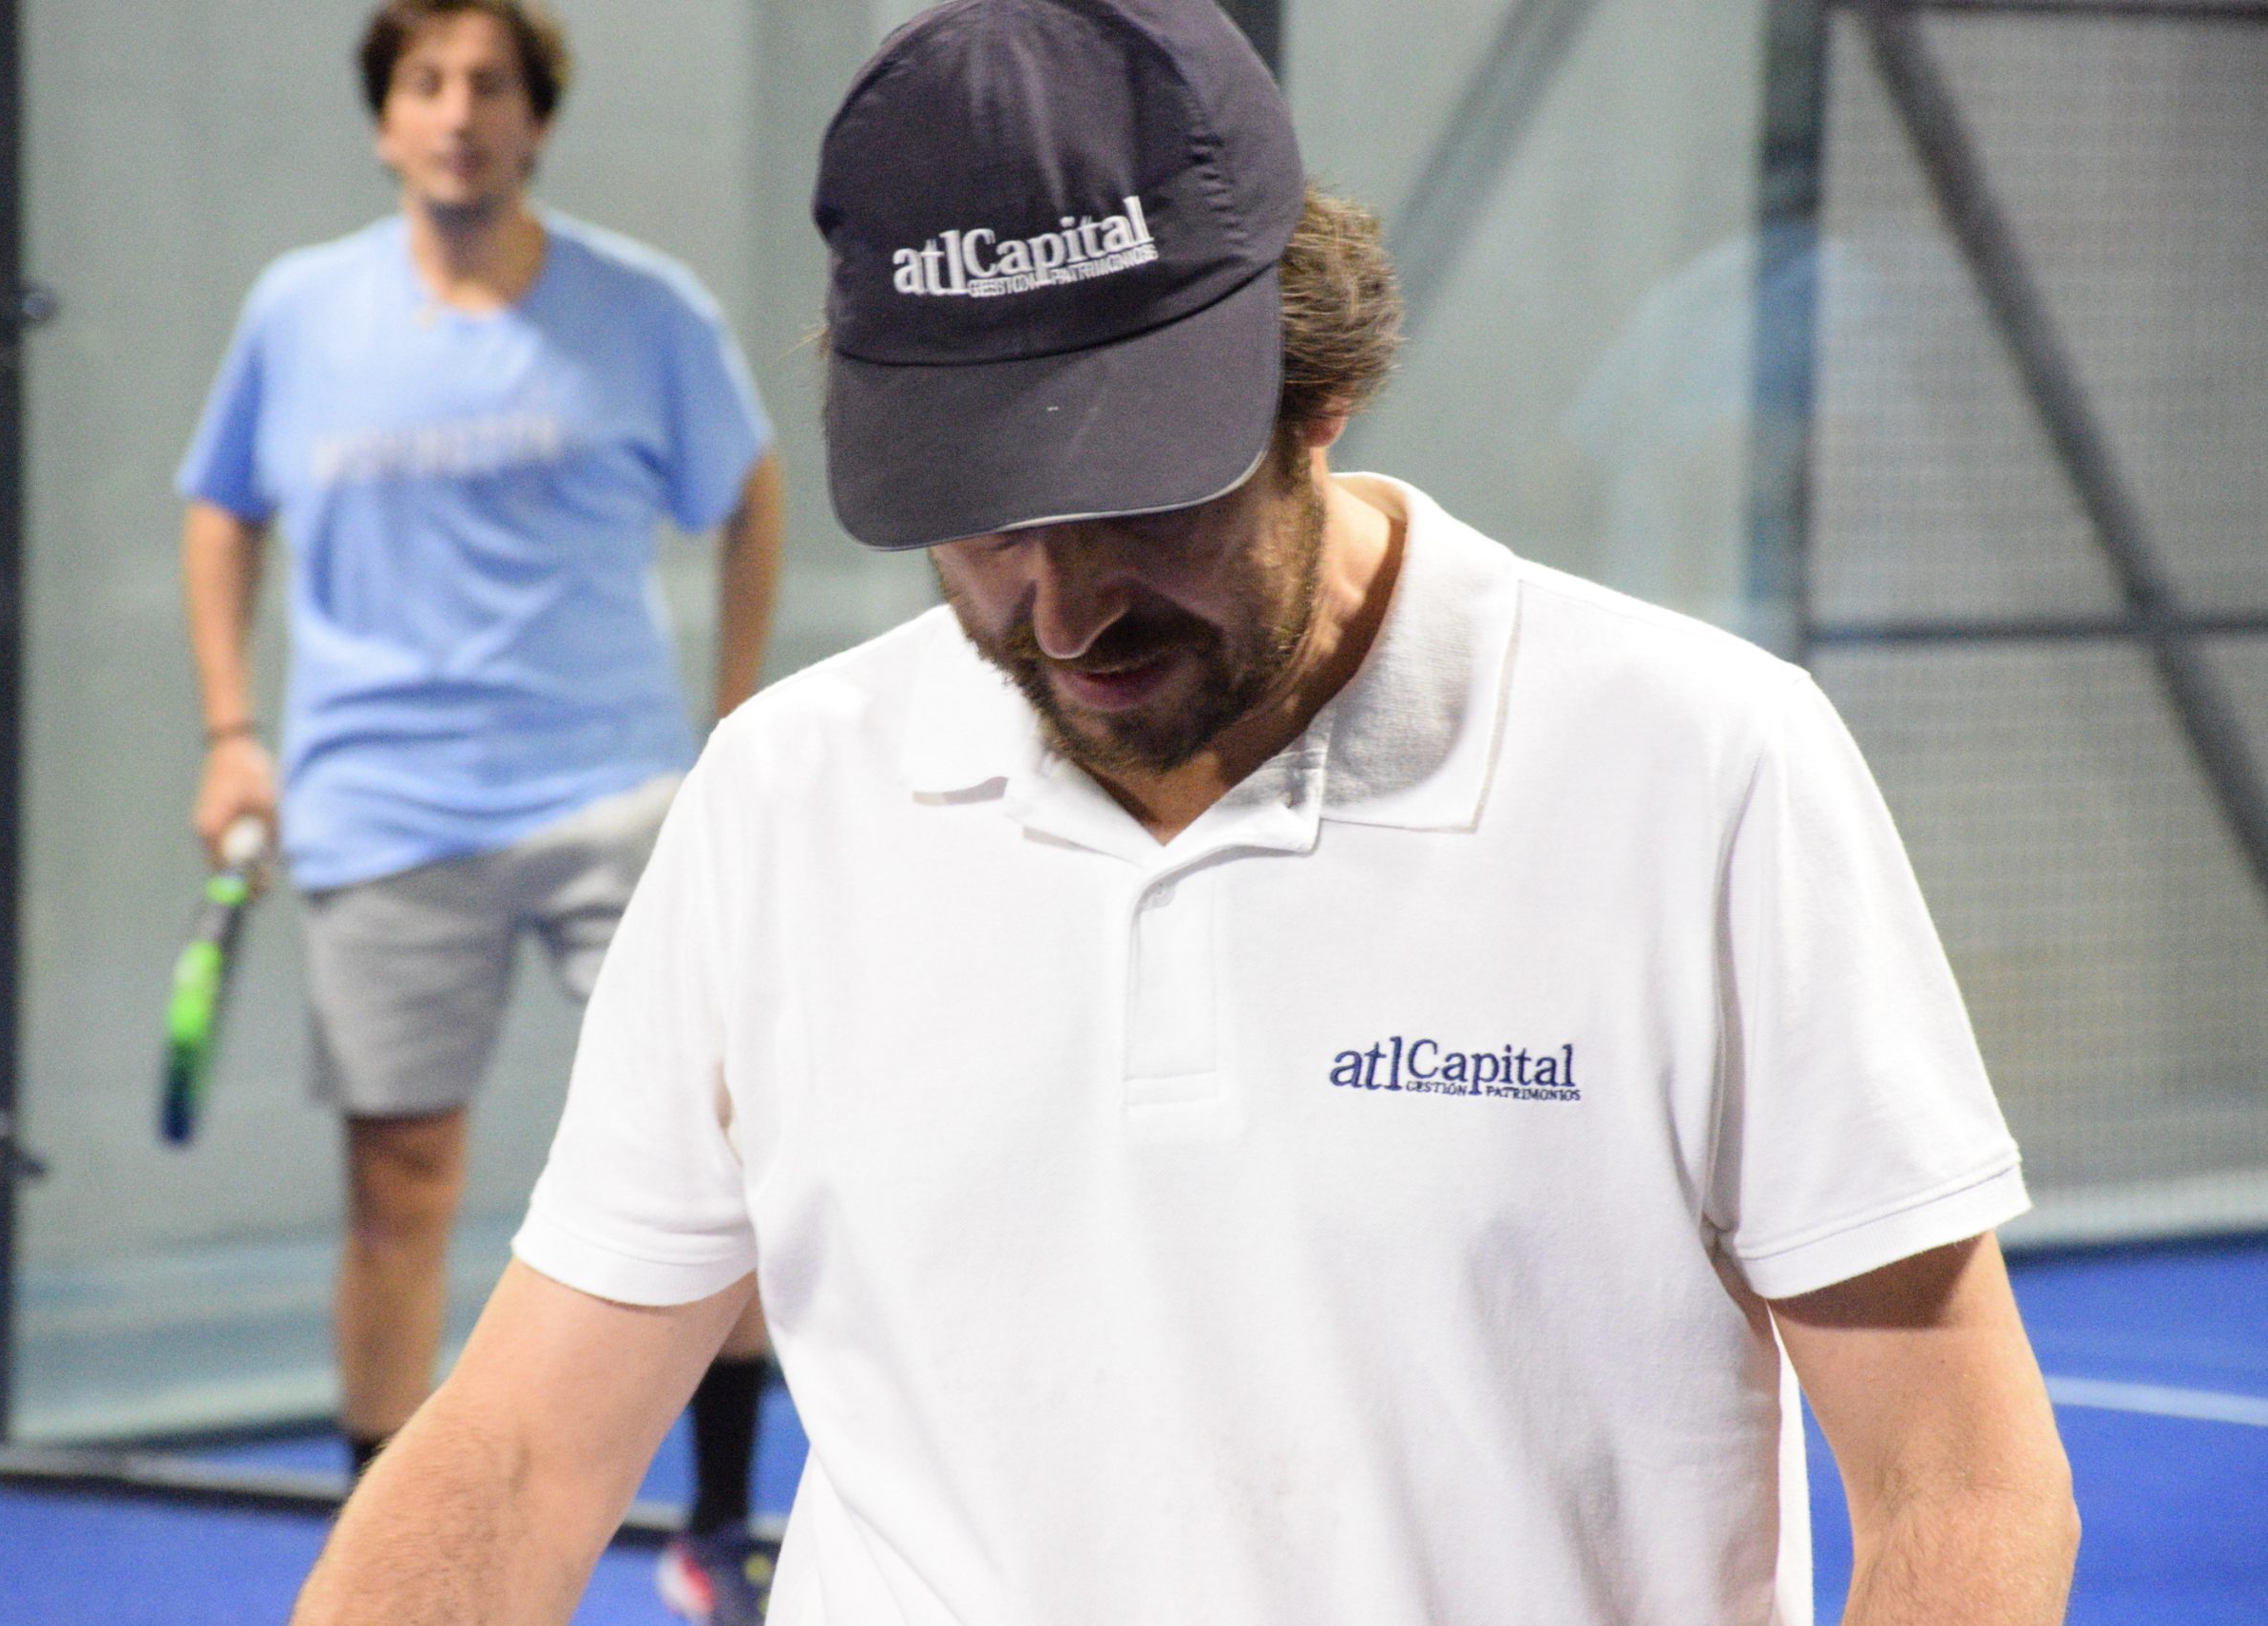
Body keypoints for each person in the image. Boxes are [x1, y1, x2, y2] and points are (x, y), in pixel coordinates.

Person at [290, 2, 2079, 1622]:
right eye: (985, 521)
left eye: (1142, 497)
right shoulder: (779, 800)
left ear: (1321, 388)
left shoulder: (1700, 770)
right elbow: (516, 1462)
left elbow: (1962, 1490)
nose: (1067, 614)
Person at [178, 1, 781, 1614]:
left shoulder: (645, 309)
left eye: (491, 85)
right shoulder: (298, 312)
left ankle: (721, 1528)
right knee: (400, 1190)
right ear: (387, 120)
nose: (458, 112)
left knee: (727, 1164)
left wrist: (731, 721)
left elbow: (747, 490)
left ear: (536, 120)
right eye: (427, 83)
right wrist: (234, 735)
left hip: (614, 799)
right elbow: (221, 509)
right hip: (378, 807)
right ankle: (380, 1554)